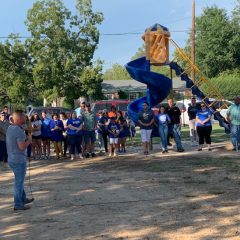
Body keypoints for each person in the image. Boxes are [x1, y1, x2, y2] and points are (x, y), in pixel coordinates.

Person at [6, 110, 34, 211]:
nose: (25, 119)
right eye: (24, 117)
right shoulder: (18, 130)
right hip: (18, 160)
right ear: (19, 118)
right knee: (19, 182)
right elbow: (22, 147)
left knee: (19, 181)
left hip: (12, 159)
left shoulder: (11, 127)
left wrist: (25, 133)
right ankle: (18, 204)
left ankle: (22, 198)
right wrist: (29, 141)